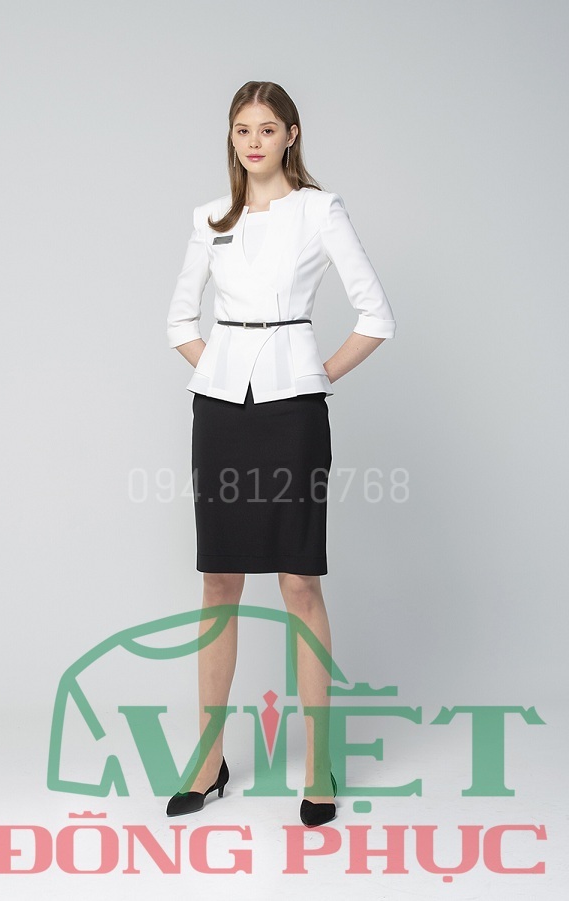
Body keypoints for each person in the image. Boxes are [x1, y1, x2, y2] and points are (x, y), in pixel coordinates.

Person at [165, 80, 396, 827]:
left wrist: (314, 374)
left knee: (299, 581)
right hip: (220, 414)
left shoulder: (319, 210)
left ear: (292, 134)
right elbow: (179, 320)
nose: (254, 141)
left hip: (294, 414)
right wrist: (220, 370)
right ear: (231, 138)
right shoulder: (209, 217)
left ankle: (319, 760)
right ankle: (209, 759)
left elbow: (377, 315)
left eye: (268, 128)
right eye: (242, 129)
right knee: (219, 580)